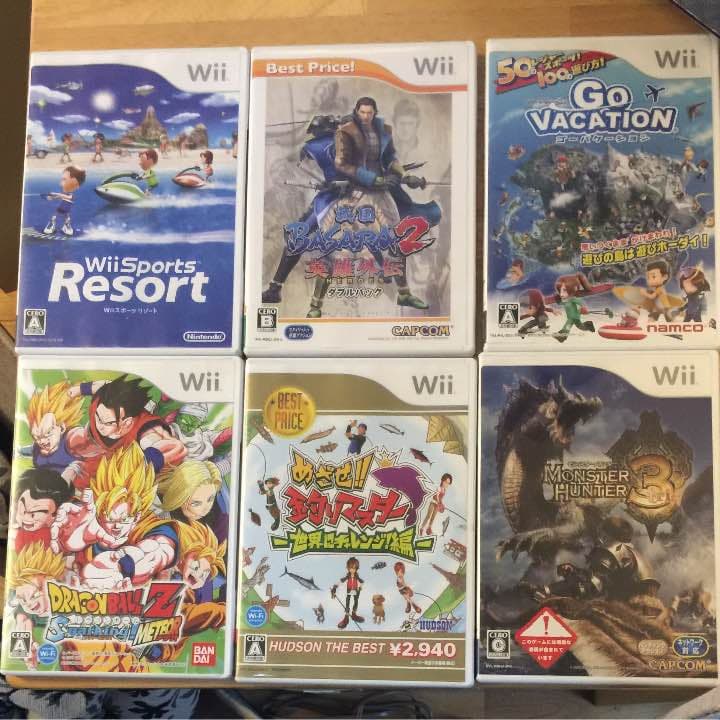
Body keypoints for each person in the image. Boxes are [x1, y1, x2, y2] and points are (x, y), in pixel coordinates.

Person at [43, 165, 85, 236]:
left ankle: (66, 226)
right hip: (63, 205)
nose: (61, 183)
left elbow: (67, 197)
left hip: (67, 206)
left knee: (66, 216)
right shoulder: (65, 192)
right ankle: (52, 224)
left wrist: (56, 194)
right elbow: (61, 197)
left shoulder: (71, 194)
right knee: (56, 215)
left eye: (65, 179)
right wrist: (52, 197)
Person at [331, 557, 364, 628]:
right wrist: (335, 587)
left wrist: (360, 587)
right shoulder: (348, 576)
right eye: (351, 568)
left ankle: (354, 615)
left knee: (356, 601)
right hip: (349, 590)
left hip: (355, 590)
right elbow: (341, 581)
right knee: (347, 602)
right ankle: (346, 618)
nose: (352, 570)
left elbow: (361, 581)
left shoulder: (356, 576)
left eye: (354, 568)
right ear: (348, 568)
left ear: (356, 568)